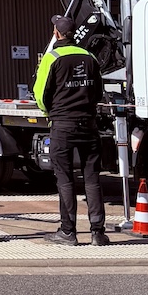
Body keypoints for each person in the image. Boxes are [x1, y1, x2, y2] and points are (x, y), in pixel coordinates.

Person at [33, 14, 109, 246]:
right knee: (92, 179)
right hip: (89, 124)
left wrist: (49, 112)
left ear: (56, 34)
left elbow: (40, 94)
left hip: (63, 125)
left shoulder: (52, 58)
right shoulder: (90, 57)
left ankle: (68, 232)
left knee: (65, 179)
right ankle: (98, 233)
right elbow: (98, 92)